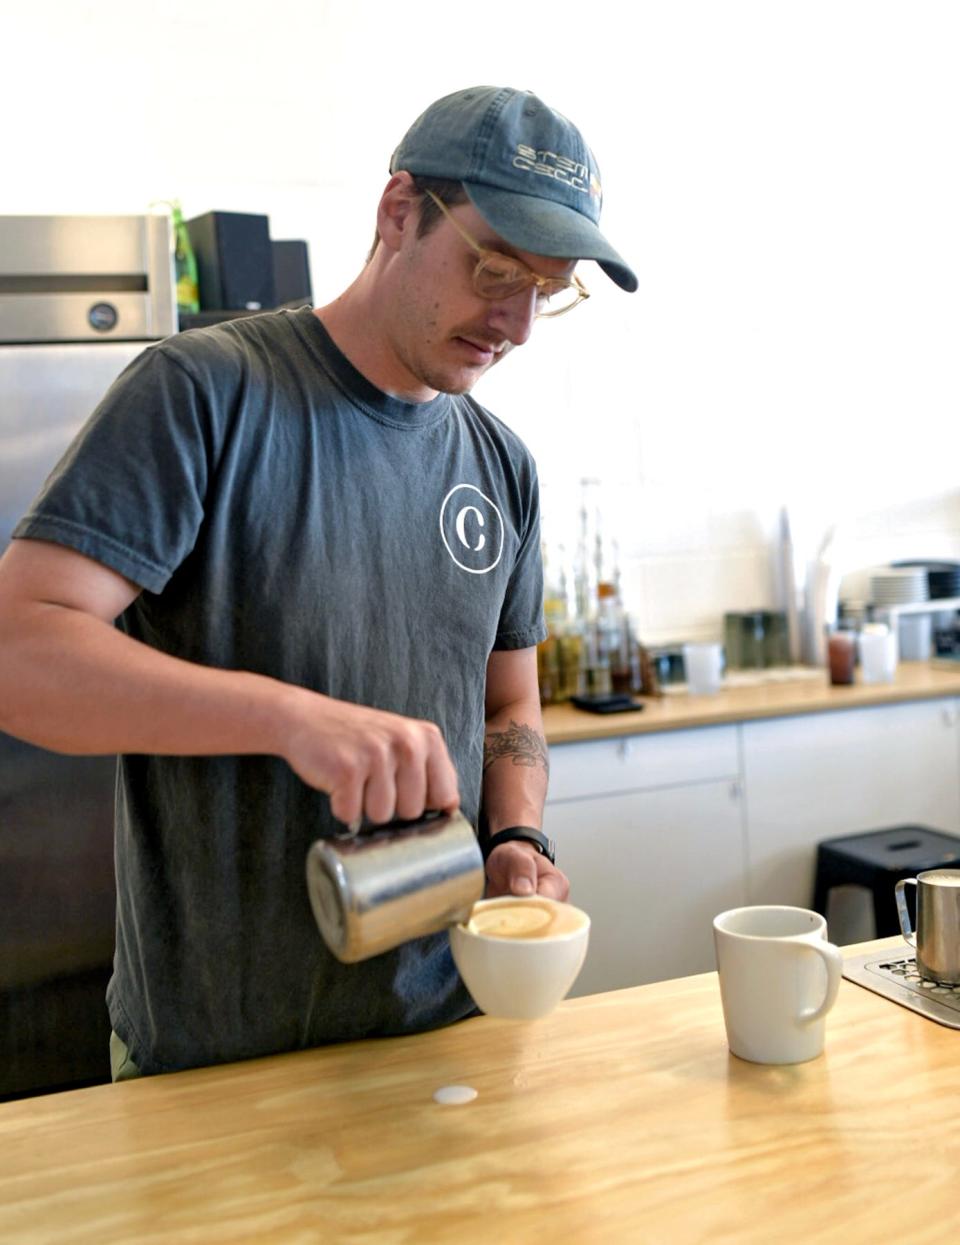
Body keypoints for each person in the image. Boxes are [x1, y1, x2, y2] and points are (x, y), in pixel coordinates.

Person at [0, 85, 637, 1078]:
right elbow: (21, 653)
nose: (515, 321)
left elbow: (508, 697)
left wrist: (516, 831)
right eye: (494, 266)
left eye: (546, 288)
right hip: (214, 1055)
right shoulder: (203, 394)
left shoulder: (500, 466)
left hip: (444, 1034)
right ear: (398, 214)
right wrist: (294, 718)